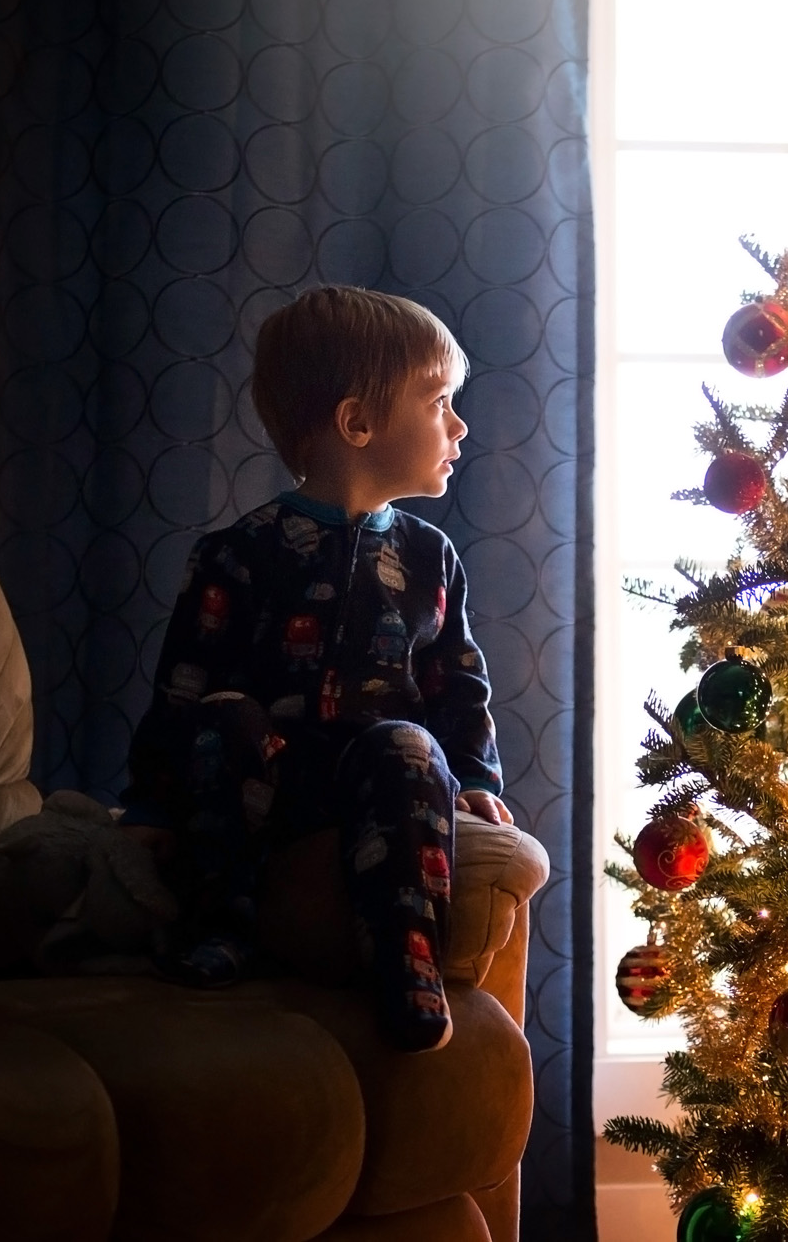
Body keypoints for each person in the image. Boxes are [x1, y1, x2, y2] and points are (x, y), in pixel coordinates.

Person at [119, 285, 510, 1053]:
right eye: (438, 403)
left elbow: (458, 685)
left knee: (408, 741)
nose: (459, 426)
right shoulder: (240, 551)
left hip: (377, 786)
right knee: (225, 713)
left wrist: (476, 780)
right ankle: (221, 925)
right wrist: (149, 806)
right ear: (358, 422)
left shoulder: (431, 556)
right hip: (271, 781)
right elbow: (183, 684)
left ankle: (405, 956)